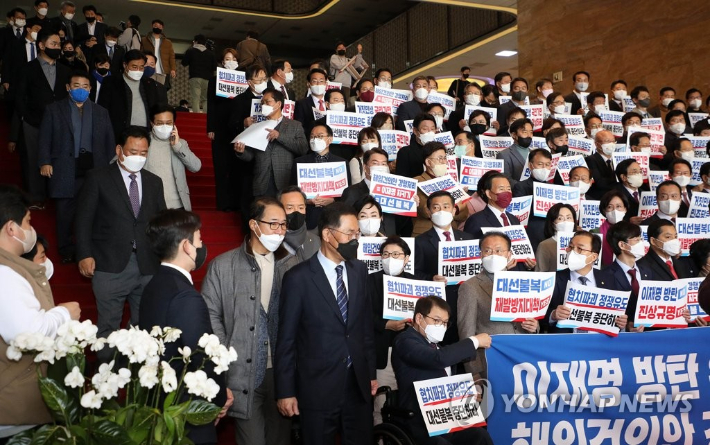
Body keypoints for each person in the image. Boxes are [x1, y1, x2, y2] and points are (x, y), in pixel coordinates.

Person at [275, 202, 378, 445]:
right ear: (328, 234)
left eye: (357, 233)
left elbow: (364, 328)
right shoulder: (297, 278)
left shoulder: (359, 271)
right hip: (316, 389)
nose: (355, 239)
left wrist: (370, 373)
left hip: (358, 385)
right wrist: (286, 391)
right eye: (349, 233)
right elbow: (287, 339)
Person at [203, 196, 297, 445]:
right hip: (242, 373)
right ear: (254, 225)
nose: (279, 231)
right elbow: (210, 315)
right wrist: (226, 358)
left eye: (283, 225)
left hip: (281, 372)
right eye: (273, 224)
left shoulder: (292, 265)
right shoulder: (222, 266)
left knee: (280, 439)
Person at [139, 209, 233, 445]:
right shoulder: (186, 296)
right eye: (199, 240)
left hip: (158, 404)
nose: (201, 246)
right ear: (186, 246)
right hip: (185, 410)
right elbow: (202, 355)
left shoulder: (153, 285)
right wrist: (219, 397)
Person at [75, 126, 167, 358]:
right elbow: (83, 220)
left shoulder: (154, 181)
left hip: (147, 265)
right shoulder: (98, 178)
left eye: (144, 153)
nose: (139, 157)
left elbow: (160, 222)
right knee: (108, 327)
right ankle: (105, 380)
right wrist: (84, 254)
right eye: (133, 151)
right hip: (110, 264)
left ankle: (131, 374)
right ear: (119, 150)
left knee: (143, 326)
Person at [0, 185, 81, 436]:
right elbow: (27, 335)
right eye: (28, 221)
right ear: (11, 228)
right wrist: (64, 314)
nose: (31, 229)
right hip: (14, 409)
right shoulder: (4, 273)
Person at [392, 296, 493, 445]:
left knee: (480, 435)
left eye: (445, 323)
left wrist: (467, 391)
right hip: (420, 419)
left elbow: (449, 371)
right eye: (437, 320)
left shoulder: (436, 345)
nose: (441, 327)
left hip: (448, 416)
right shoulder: (405, 341)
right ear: (419, 318)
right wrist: (474, 341)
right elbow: (438, 359)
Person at [38, 71, 115, 263]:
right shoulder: (54, 109)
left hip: (93, 168)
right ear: (68, 87)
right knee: (65, 212)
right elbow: (45, 138)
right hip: (64, 167)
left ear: (90, 89)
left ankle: (88, 249)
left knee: (92, 210)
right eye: (76, 86)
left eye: (85, 86)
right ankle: (66, 250)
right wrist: (45, 161)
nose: (81, 90)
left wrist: (109, 167)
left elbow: (109, 142)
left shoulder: (101, 112)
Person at [457, 231, 537, 379]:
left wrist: (534, 327)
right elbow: (466, 332)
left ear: (509, 254)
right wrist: (474, 372)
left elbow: (532, 318)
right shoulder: (470, 286)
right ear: (481, 254)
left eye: (499, 250)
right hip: (491, 360)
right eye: (487, 251)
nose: (493, 255)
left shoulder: (523, 282)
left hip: (524, 357)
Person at [14, 28, 72, 207]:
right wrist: (27, 116)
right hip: (34, 122)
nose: (57, 47)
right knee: (33, 160)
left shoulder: (65, 70)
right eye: (53, 44)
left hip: (59, 122)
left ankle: (54, 195)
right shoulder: (27, 68)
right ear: (41, 45)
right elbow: (19, 96)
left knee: (57, 158)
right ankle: (35, 197)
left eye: (59, 44)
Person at [414, 190, 473, 345]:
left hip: (467, 301)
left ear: (454, 210)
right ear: (428, 211)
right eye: (436, 207)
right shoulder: (420, 241)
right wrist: (431, 279)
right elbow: (414, 274)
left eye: (446, 206)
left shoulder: (468, 239)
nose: (441, 211)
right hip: (440, 305)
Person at [369, 236, 414, 425]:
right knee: (382, 403)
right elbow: (361, 315)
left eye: (396, 254)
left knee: (409, 402)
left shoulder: (416, 282)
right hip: (383, 350)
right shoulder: (369, 281)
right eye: (386, 254)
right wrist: (385, 325)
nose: (390, 258)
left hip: (410, 352)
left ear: (406, 258)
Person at [546, 230, 627, 333]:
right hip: (566, 343)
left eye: (579, 248)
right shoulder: (554, 279)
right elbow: (541, 316)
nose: (572, 252)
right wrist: (553, 315)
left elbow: (617, 317)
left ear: (593, 257)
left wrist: (621, 323)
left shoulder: (609, 279)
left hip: (599, 342)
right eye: (570, 247)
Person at [235, 88, 308, 198]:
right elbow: (250, 156)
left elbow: (303, 149)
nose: (264, 105)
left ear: (278, 104)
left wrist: (280, 136)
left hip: (285, 180)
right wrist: (241, 152)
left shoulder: (295, 125)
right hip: (262, 181)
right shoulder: (256, 126)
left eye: (267, 102)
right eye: (262, 103)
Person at [227, 64, 269, 230]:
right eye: (259, 79)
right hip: (247, 154)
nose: (263, 82)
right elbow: (230, 125)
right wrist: (243, 123)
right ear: (250, 82)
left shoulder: (270, 99)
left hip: (266, 151)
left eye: (265, 79)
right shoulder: (239, 101)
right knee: (246, 192)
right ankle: (247, 227)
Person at [98, 49, 167, 141]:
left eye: (141, 67)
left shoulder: (149, 83)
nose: (138, 70)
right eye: (134, 67)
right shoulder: (111, 82)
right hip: (119, 132)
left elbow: (155, 108)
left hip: (145, 132)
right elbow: (102, 109)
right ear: (125, 65)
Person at [291, 124, 351, 230]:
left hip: (333, 217)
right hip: (309, 217)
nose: (315, 139)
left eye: (320, 136)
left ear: (330, 139)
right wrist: (307, 201)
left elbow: (347, 194)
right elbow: (292, 192)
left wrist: (333, 200)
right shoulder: (299, 162)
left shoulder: (342, 163)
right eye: (312, 136)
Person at [144, 104, 202, 210]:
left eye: (169, 123)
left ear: (174, 124)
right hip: (151, 206)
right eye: (160, 123)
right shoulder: (143, 142)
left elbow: (196, 167)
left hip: (177, 206)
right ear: (152, 123)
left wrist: (177, 147)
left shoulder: (181, 144)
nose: (164, 126)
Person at [602, 221, 655, 332]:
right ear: (622, 245)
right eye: (637, 240)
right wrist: (626, 327)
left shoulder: (647, 270)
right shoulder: (605, 275)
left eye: (641, 239)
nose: (642, 243)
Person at [207, 48, 240, 212]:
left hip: (237, 129)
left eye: (234, 58)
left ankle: (234, 201)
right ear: (222, 62)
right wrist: (210, 127)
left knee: (235, 167)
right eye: (228, 58)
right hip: (219, 128)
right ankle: (222, 202)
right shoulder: (214, 80)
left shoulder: (243, 80)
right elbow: (211, 105)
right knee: (221, 167)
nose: (231, 61)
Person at [413, 142, 469, 237]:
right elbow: (426, 210)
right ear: (428, 162)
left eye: (444, 158)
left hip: (451, 233)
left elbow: (464, 214)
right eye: (440, 158)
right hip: (426, 234)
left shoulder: (452, 182)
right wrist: (457, 207)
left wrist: (455, 209)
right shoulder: (417, 181)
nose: (444, 162)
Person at [464, 173, 518, 239]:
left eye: (509, 189)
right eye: (501, 189)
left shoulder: (514, 220)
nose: (506, 193)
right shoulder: (475, 221)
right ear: (489, 194)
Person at [278, 186, 320, 262]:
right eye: (290, 208)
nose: (296, 212)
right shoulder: (273, 242)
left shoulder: (316, 241)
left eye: (301, 208)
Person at [535, 203, 577, 272]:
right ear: (553, 223)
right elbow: (540, 273)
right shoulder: (545, 245)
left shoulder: (582, 243)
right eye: (560, 218)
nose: (565, 221)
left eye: (568, 218)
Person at [181, 34, 216, 113]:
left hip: (195, 77)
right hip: (208, 79)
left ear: (195, 41)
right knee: (206, 99)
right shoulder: (211, 54)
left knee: (195, 97)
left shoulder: (190, 51)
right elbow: (214, 68)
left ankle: (196, 114)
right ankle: (206, 116)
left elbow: (184, 63)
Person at [395, 113, 437, 178]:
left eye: (432, 129)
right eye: (425, 129)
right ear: (415, 131)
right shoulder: (406, 152)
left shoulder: (439, 151)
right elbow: (401, 178)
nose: (429, 133)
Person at [497, 118, 534, 186]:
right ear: (514, 135)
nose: (529, 135)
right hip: (517, 194)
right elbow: (506, 179)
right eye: (525, 132)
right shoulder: (504, 155)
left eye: (531, 132)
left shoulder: (535, 154)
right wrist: (524, 188)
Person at [140, 19, 176, 89]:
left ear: (162, 28)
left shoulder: (168, 42)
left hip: (162, 70)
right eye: (155, 26)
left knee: (160, 90)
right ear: (152, 26)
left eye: (160, 26)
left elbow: (171, 56)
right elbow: (141, 54)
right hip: (149, 68)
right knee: (149, 89)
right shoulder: (144, 40)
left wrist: (173, 69)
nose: (157, 27)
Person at [293, 68, 328, 139]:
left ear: (326, 84)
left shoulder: (331, 102)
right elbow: (299, 127)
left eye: (321, 81)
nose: (318, 84)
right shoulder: (301, 104)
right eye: (314, 81)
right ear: (308, 84)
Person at [585, 130, 618, 200]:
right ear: (597, 144)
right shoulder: (590, 160)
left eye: (613, 141)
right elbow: (599, 182)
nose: (611, 144)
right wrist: (618, 179)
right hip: (601, 198)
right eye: (607, 141)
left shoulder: (618, 159)